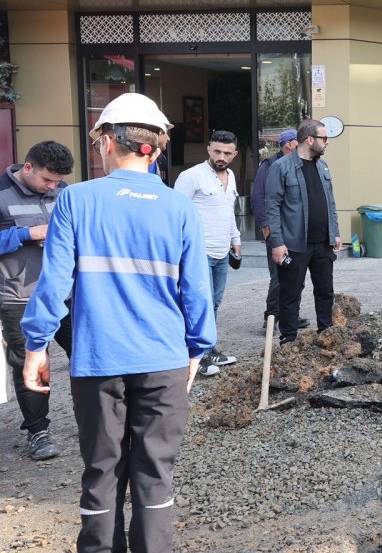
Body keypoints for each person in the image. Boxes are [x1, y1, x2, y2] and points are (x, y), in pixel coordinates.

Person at [22, 92, 216, 551]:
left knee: (102, 469)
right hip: (164, 361)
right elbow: (198, 293)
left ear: (108, 141)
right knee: (154, 475)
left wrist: (36, 348)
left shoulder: (75, 201)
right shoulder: (180, 208)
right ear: (157, 147)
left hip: (98, 362)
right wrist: (196, 348)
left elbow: (53, 284)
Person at [1, 141, 74, 460]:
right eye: (48, 180)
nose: (53, 186)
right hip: (20, 296)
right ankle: (38, 432)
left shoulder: (64, 191)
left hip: (67, 293)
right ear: (27, 168)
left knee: (87, 354)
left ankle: (99, 420)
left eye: (57, 181)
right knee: (34, 364)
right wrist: (26, 235)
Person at [264, 119, 342, 344]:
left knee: (325, 290)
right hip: (294, 244)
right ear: (310, 139)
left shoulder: (323, 166)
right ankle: (288, 341)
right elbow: (272, 207)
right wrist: (277, 243)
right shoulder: (281, 167)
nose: (326, 143)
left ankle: (326, 336)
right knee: (290, 294)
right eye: (324, 138)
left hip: (323, 243)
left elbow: (330, 202)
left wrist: (334, 231)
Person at [173, 129, 241, 376]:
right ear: (209, 149)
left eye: (227, 152)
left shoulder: (230, 176)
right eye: (217, 151)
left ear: (234, 154)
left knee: (214, 303)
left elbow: (228, 210)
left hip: (222, 251)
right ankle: (194, 357)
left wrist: (236, 238)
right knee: (196, 304)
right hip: (197, 253)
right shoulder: (191, 176)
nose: (221, 156)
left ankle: (208, 349)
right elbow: (175, 213)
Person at [251, 129, 309, 332]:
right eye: (296, 144)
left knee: (297, 273)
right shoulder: (268, 166)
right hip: (277, 230)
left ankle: (290, 314)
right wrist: (265, 225)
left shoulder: (299, 164)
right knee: (278, 276)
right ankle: (271, 318)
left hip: (297, 230)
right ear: (289, 145)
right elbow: (259, 197)